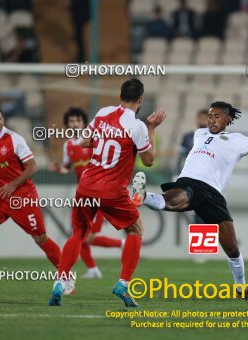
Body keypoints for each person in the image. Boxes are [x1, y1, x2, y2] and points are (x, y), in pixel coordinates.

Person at [131, 101, 248, 304]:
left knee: (232, 248)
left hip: (213, 193)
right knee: (174, 200)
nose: (211, 120)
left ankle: (242, 288)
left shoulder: (237, 140)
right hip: (190, 182)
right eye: (210, 116)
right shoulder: (199, 134)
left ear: (228, 119)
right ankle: (143, 197)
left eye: (217, 116)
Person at [48, 79, 166, 307]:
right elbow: (149, 161)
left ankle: (59, 282)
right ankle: (123, 283)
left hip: (86, 185)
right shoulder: (138, 126)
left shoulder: (103, 113)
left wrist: (105, 140)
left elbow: (84, 142)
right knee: (136, 229)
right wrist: (151, 128)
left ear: (120, 95)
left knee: (78, 235)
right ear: (140, 100)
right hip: (112, 190)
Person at [0, 105, 62, 291]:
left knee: (40, 238)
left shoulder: (14, 139)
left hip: (23, 196)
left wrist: (12, 184)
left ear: (3, 120)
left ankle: (66, 276)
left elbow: (33, 167)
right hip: (2, 196)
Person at [48, 107, 124, 279]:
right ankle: (93, 269)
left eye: (78, 120)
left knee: (84, 237)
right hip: (83, 195)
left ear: (84, 123)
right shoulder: (68, 145)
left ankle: (122, 244)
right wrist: (58, 169)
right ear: (68, 125)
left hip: (99, 194)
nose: (75, 124)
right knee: (79, 235)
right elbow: (67, 168)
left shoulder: (96, 139)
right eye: (72, 121)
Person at [175, 109, 209, 175]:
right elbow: (180, 159)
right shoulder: (187, 137)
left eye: (205, 118)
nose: (203, 120)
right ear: (197, 119)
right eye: (201, 118)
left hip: (207, 175)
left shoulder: (214, 138)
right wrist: (178, 174)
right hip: (190, 174)